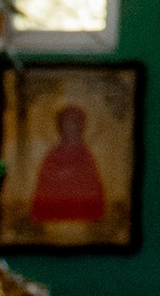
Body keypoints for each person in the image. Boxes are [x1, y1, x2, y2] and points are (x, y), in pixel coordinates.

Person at [27, 99, 109, 231]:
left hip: (82, 214)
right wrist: (60, 176)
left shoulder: (87, 156)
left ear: (82, 126)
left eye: (77, 121)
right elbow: (44, 184)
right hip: (54, 215)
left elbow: (93, 187)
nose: (73, 126)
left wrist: (72, 176)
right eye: (69, 122)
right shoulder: (52, 155)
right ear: (60, 126)